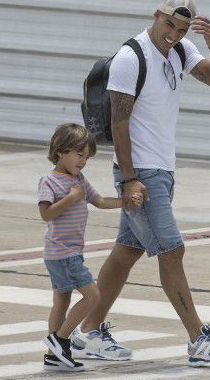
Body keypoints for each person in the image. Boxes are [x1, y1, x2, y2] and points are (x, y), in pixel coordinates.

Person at [71, 0, 210, 367]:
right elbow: (119, 125)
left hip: (161, 170)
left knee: (126, 252)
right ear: (156, 15)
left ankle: (89, 330)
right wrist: (130, 179)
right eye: (169, 25)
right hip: (141, 173)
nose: (173, 35)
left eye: (182, 30)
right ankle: (198, 339)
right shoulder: (130, 58)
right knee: (172, 250)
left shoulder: (181, 51)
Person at [38, 123, 142, 372]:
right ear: (61, 151)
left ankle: (55, 357)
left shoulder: (79, 180)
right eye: (79, 154)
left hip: (68, 252)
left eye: (87, 157)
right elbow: (46, 214)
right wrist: (71, 198)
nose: (83, 161)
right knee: (93, 295)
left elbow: (100, 201)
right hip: (62, 253)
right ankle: (60, 340)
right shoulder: (50, 181)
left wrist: (125, 201)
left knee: (61, 302)